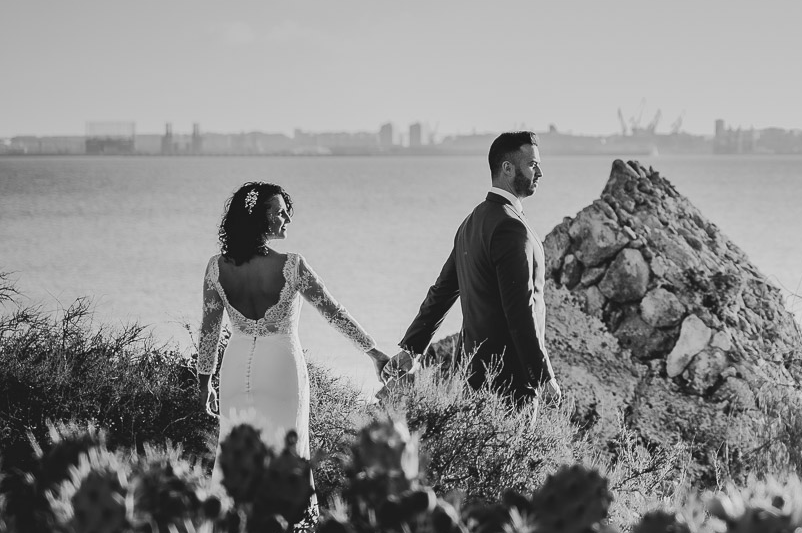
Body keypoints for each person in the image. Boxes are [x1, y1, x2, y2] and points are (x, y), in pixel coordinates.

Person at [195, 182, 391, 456]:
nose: (287, 218)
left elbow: (209, 332)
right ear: (259, 218)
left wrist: (205, 384)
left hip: (235, 369)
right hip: (282, 368)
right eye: (280, 212)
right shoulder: (292, 265)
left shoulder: (216, 267)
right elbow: (334, 313)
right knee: (285, 454)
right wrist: (374, 353)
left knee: (238, 457)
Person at [392, 131, 561, 405]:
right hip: (509, 382)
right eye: (532, 165)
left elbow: (442, 292)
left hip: (470, 375)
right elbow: (520, 309)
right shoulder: (511, 228)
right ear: (507, 168)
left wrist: (412, 348)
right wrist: (542, 375)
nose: (540, 172)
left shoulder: (471, 223)